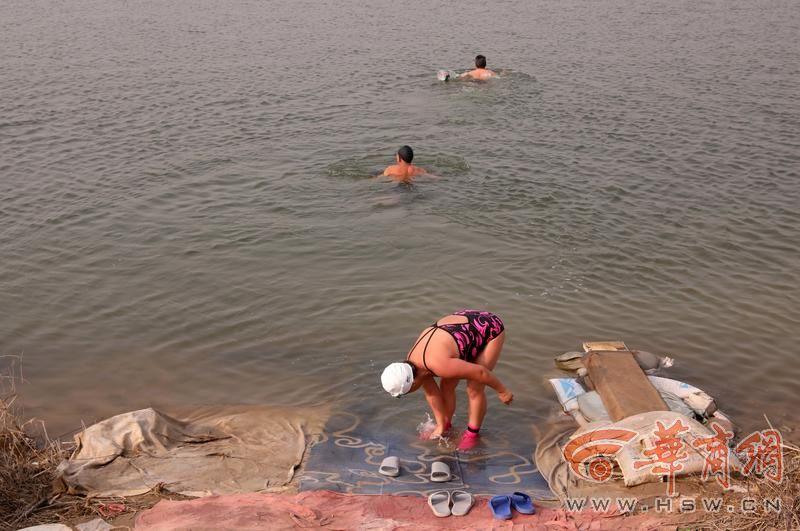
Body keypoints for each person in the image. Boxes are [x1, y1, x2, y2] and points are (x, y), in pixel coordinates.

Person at [380, 310, 513, 448]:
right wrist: (441, 425)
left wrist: (502, 391)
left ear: (412, 384)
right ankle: (447, 424)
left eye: (403, 394)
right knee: (446, 385)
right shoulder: (413, 365)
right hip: (461, 327)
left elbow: (481, 373)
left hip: (488, 327)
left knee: (474, 388)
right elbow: (432, 394)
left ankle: (472, 434)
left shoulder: (439, 365)